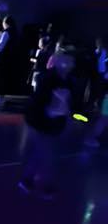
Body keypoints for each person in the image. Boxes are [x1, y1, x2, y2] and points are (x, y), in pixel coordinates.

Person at [19, 47, 79, 197]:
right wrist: (48, 112)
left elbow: (69, 103)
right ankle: (46, 184)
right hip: (41, 121)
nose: (69, 64)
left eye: (71, 61)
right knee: (47, 153)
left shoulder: (69, 81)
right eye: (66, 60)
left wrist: (69, 116)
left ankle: (27, 180)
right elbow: (38, 102)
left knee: (43, 152)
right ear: (58, 61)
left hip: (56, 122)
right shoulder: (48, 78)